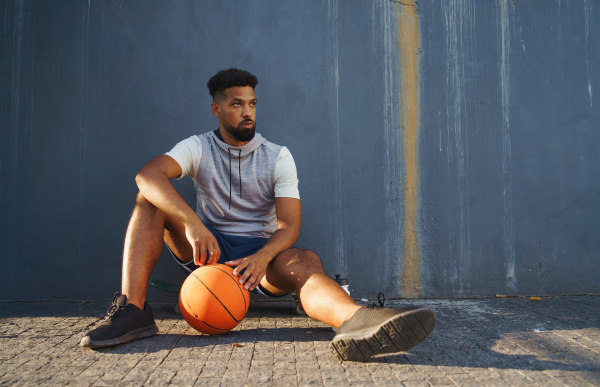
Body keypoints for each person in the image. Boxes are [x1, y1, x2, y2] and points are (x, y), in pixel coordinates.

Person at [80, 68, 436, 361]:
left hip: (262, 261)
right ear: (216, 110)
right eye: (237, 104)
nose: (247, 111)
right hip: (208, 252)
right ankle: (134, 311)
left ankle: (356, 319)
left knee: (306, 259)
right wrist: (192, 223)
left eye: (252, 103)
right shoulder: (198, 147)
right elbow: (147, 175)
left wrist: (263, 257)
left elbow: (290, 226)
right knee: (148, 199)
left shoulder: (277, 156)